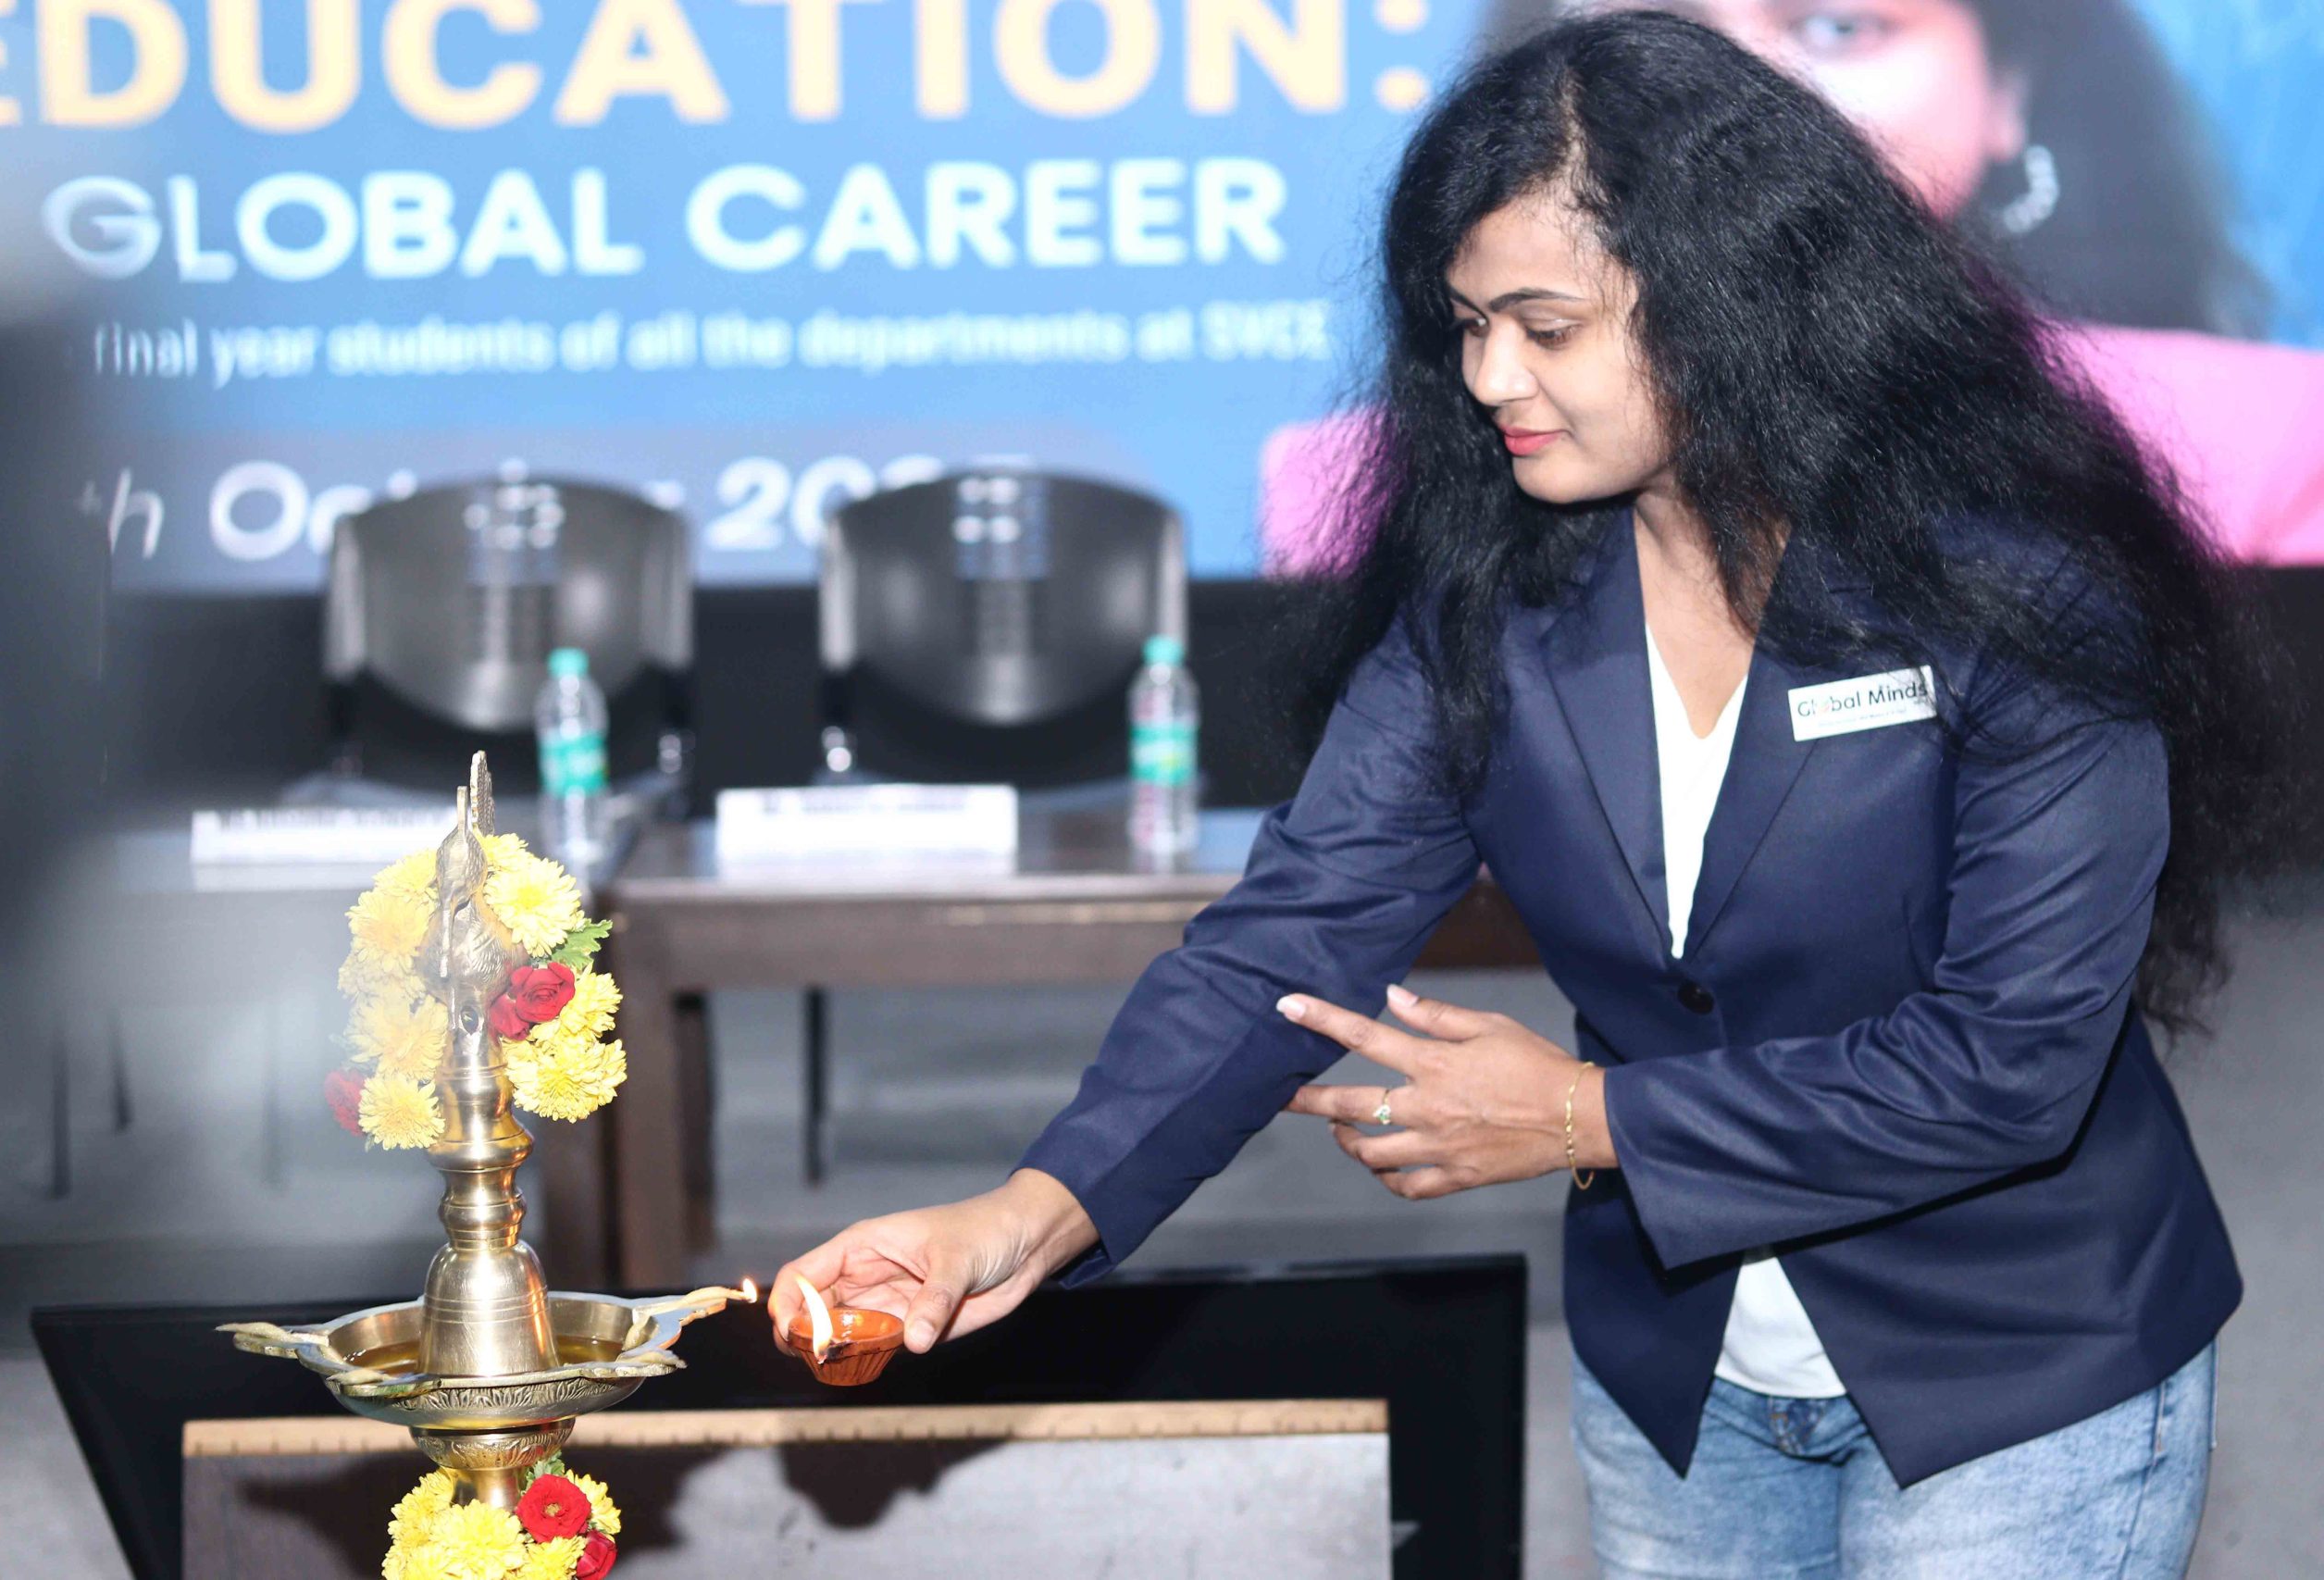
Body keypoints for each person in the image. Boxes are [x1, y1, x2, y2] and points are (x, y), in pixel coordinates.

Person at [772, 14, 2287, 1574]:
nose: (1492, 375)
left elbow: (2008, 1065)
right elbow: (1286, 940)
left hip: (2020, 1363)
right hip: (1680, 1379)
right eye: (1468, 325)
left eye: (1546, 326)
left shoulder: (2014, 593)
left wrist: (1580, 1115)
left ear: (1731, 301)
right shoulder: (1491, 609)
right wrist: (1029, 1210)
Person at [1264, 0, 2324, 571]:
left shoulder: (2273, 442)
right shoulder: (1347, 488)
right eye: (1665, 32)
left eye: (1835, 27)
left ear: (2010, 86)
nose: (1745, 88)